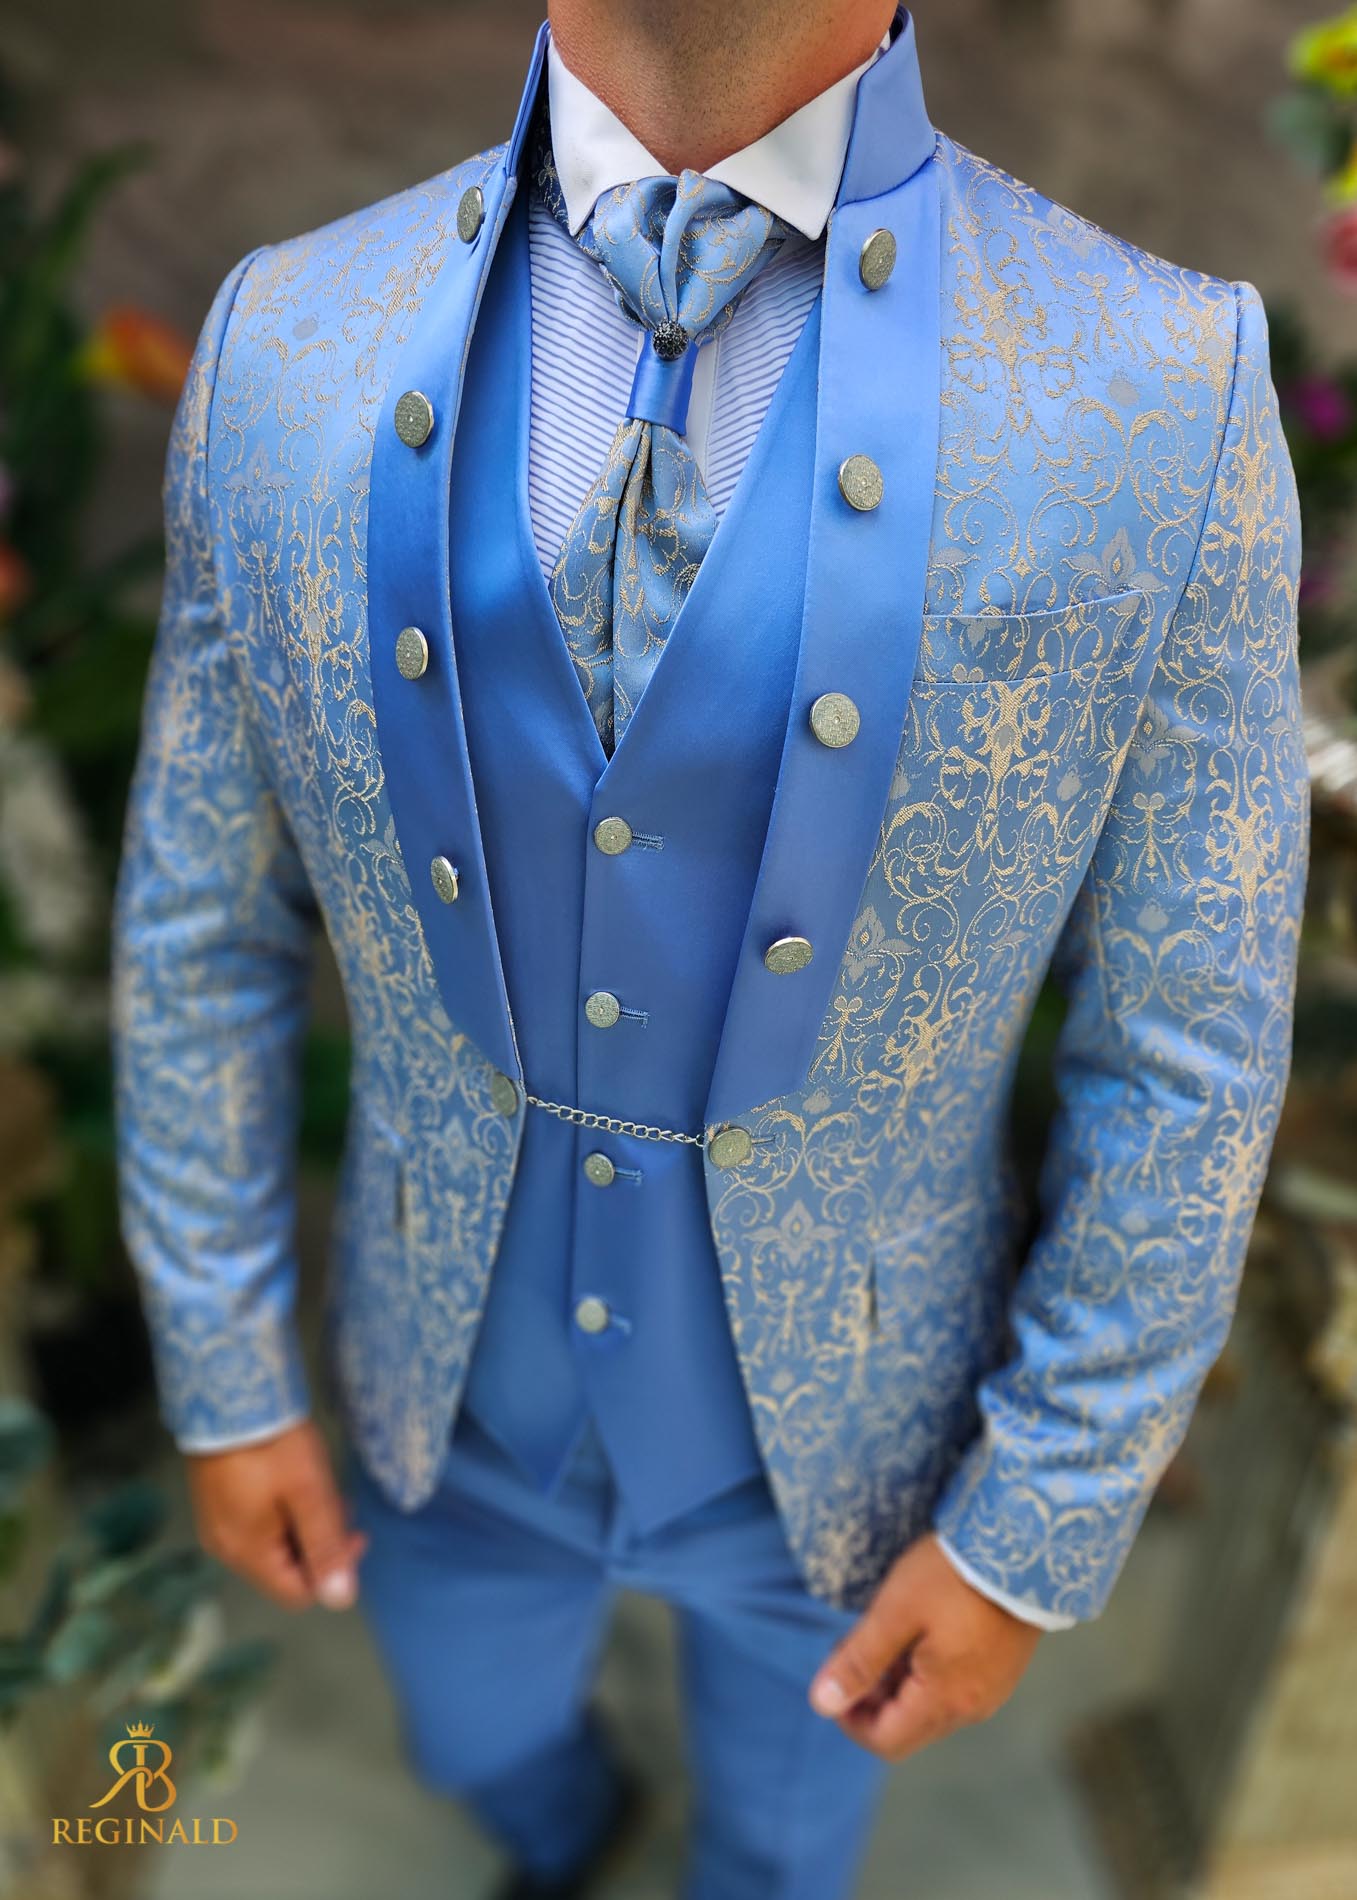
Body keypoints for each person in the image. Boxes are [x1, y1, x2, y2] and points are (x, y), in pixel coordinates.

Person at [109, 3, 1310, 1896]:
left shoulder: (1164, 390)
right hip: (440, 1396)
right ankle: (565, 1832)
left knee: (784, 1843)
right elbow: (199, 921)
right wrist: (226, 1362)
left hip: (857, 1448)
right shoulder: (287, 336)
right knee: (476, 1745)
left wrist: (1035, 1520)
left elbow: (1189, 1043)